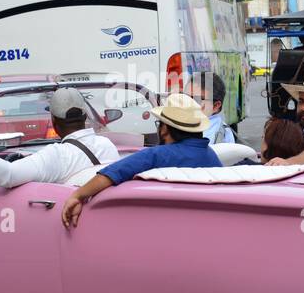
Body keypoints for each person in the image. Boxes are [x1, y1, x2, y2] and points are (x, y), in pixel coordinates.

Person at [61, 93, 220, 229]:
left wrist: (77, 195)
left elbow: (110, 174)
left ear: (165, 129)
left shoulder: (157, 155)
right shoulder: (211, 155)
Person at [0, 87, 118, 188]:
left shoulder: (57, 155)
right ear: (85, 116)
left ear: (53, 122)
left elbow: (9, 175)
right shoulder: (107, 146)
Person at [188, 72, 235, 144]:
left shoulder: (213, 135)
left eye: (196, 99)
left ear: (215, 106)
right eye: (186, 97)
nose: (188, 103)